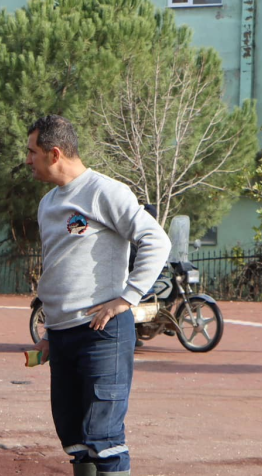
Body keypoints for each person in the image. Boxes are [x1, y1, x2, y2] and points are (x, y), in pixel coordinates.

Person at [25, 115, 171, 476]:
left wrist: (128, 297)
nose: (27, 160)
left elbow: (156, 241)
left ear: (54, 153)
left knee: (104, 438)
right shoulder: (47, 203)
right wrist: (49, 333)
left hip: (101, 332)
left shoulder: (105, 191)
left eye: (32, 152)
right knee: (75, 440)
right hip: (61, 335)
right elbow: (58, 266)